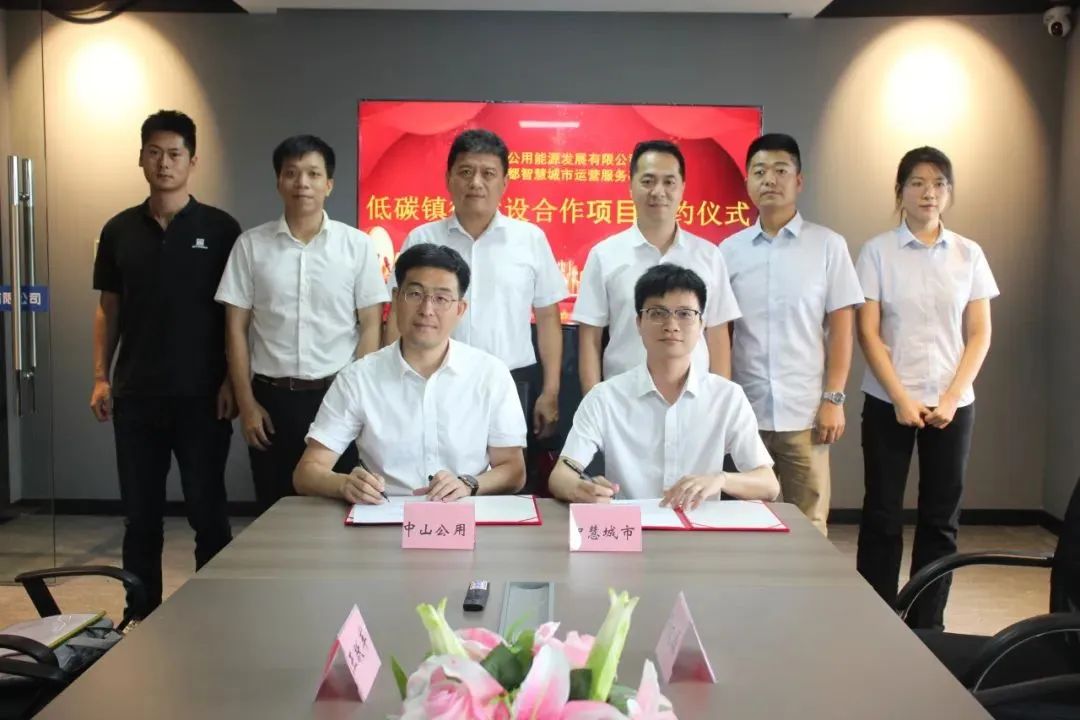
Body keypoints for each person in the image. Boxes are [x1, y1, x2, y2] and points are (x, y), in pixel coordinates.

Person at [90, 109, 238, 617]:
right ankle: (141, 614)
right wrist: (100, 377)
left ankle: (212, 614)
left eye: (175, 153)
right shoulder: (118, 230)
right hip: (137, 397)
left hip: (203, 398)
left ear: (192, 161)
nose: (164, 162)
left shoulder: (220, 229)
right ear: (141, 158)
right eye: (154, 152)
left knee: (208, 514)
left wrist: (231, 380)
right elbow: (108, 309)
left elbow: (237, 316)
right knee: (140, 519)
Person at [855, 146, 998, 630]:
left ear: (949, 192)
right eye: (917, 183)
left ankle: (926, 623)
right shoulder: (877, 251)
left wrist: (953, 397)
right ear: (900, 192)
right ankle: (875, 618)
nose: (928, 192)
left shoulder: (968, 253)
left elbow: (979, 333)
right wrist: (899, 396)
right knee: (882, 514)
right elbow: (868, 332)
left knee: (941, 520)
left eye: (938, 183)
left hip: (952, 404)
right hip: (888, 400)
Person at [384, 129, 568, 491]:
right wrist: (389, 379)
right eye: (466, 172)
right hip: (431, 378)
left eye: (488, 173)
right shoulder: (423, 238)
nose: (476, 183)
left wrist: (550, 390)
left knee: (507, 482)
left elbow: (548, 319)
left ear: (505, 182)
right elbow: (398, 315)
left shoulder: (529, 239)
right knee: (430, 478)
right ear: (448, 179)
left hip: (512, 380)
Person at [215, 135, 389, 512]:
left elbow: (370, 325)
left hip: (337, 395)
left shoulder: (356, 246)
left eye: (313, 174)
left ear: (329, 184)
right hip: (271, 400)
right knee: (273, 506)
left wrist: (358, 398)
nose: (302, 183)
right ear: (279, 182)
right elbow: (235, 330)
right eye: (292, 173)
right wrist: (247, 404)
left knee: (340, 505)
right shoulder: (251, 246)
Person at [294, 244, 527, 502]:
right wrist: (343, 484)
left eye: (441, 299)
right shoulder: (358, 378)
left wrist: (469, 484)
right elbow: (307, 472)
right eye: (415, 294)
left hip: (465, 513)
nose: (427, 309)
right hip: (384, 515)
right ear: (396, 299)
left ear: (460, 309)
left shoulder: (490, 374)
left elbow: (514, 471)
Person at [720, 133, 863, 535]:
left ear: (799, 181)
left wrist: (834, 399)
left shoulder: (828, 246)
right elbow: (720, 335)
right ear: (747, 182)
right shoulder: (728, 251)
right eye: (759, 171)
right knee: (744, 524)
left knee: (809, 524)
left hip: (805, 413)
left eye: (780, 170)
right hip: (746, 412)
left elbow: (841, 330)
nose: (770, 179)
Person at [549, 264, 778, 506]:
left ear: (702, 324)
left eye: (685, 314)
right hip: (633, 526)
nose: (671, 325)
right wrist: (580, 489)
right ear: (639, 323)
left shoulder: (727, 397)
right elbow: (561, 476)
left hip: (699, 526)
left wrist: (721, 480)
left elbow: (769, 485)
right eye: (658, 313)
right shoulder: (605, 397)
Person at [572, 139, 741, 396]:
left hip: (694, 401)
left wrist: (719, 403)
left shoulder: (708, 256)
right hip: (623, 400)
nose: (658, 191)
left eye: (669, 182)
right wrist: (593, 402)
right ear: (631, 186)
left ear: (682, 188)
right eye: (648, 181)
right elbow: (590, 339)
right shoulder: (604, 255)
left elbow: (718, 338)